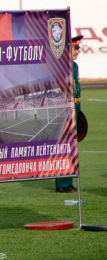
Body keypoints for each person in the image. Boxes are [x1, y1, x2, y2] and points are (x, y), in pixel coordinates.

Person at [55, 35, 83, 193]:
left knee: (72, 147)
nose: (77, 51)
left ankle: (69, 179)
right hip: (65, 111)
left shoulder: (75, 66)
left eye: (78, 48)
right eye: (75, 48)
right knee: (64, 147)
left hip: (76, 109)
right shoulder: (61, 67)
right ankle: (62, 183)